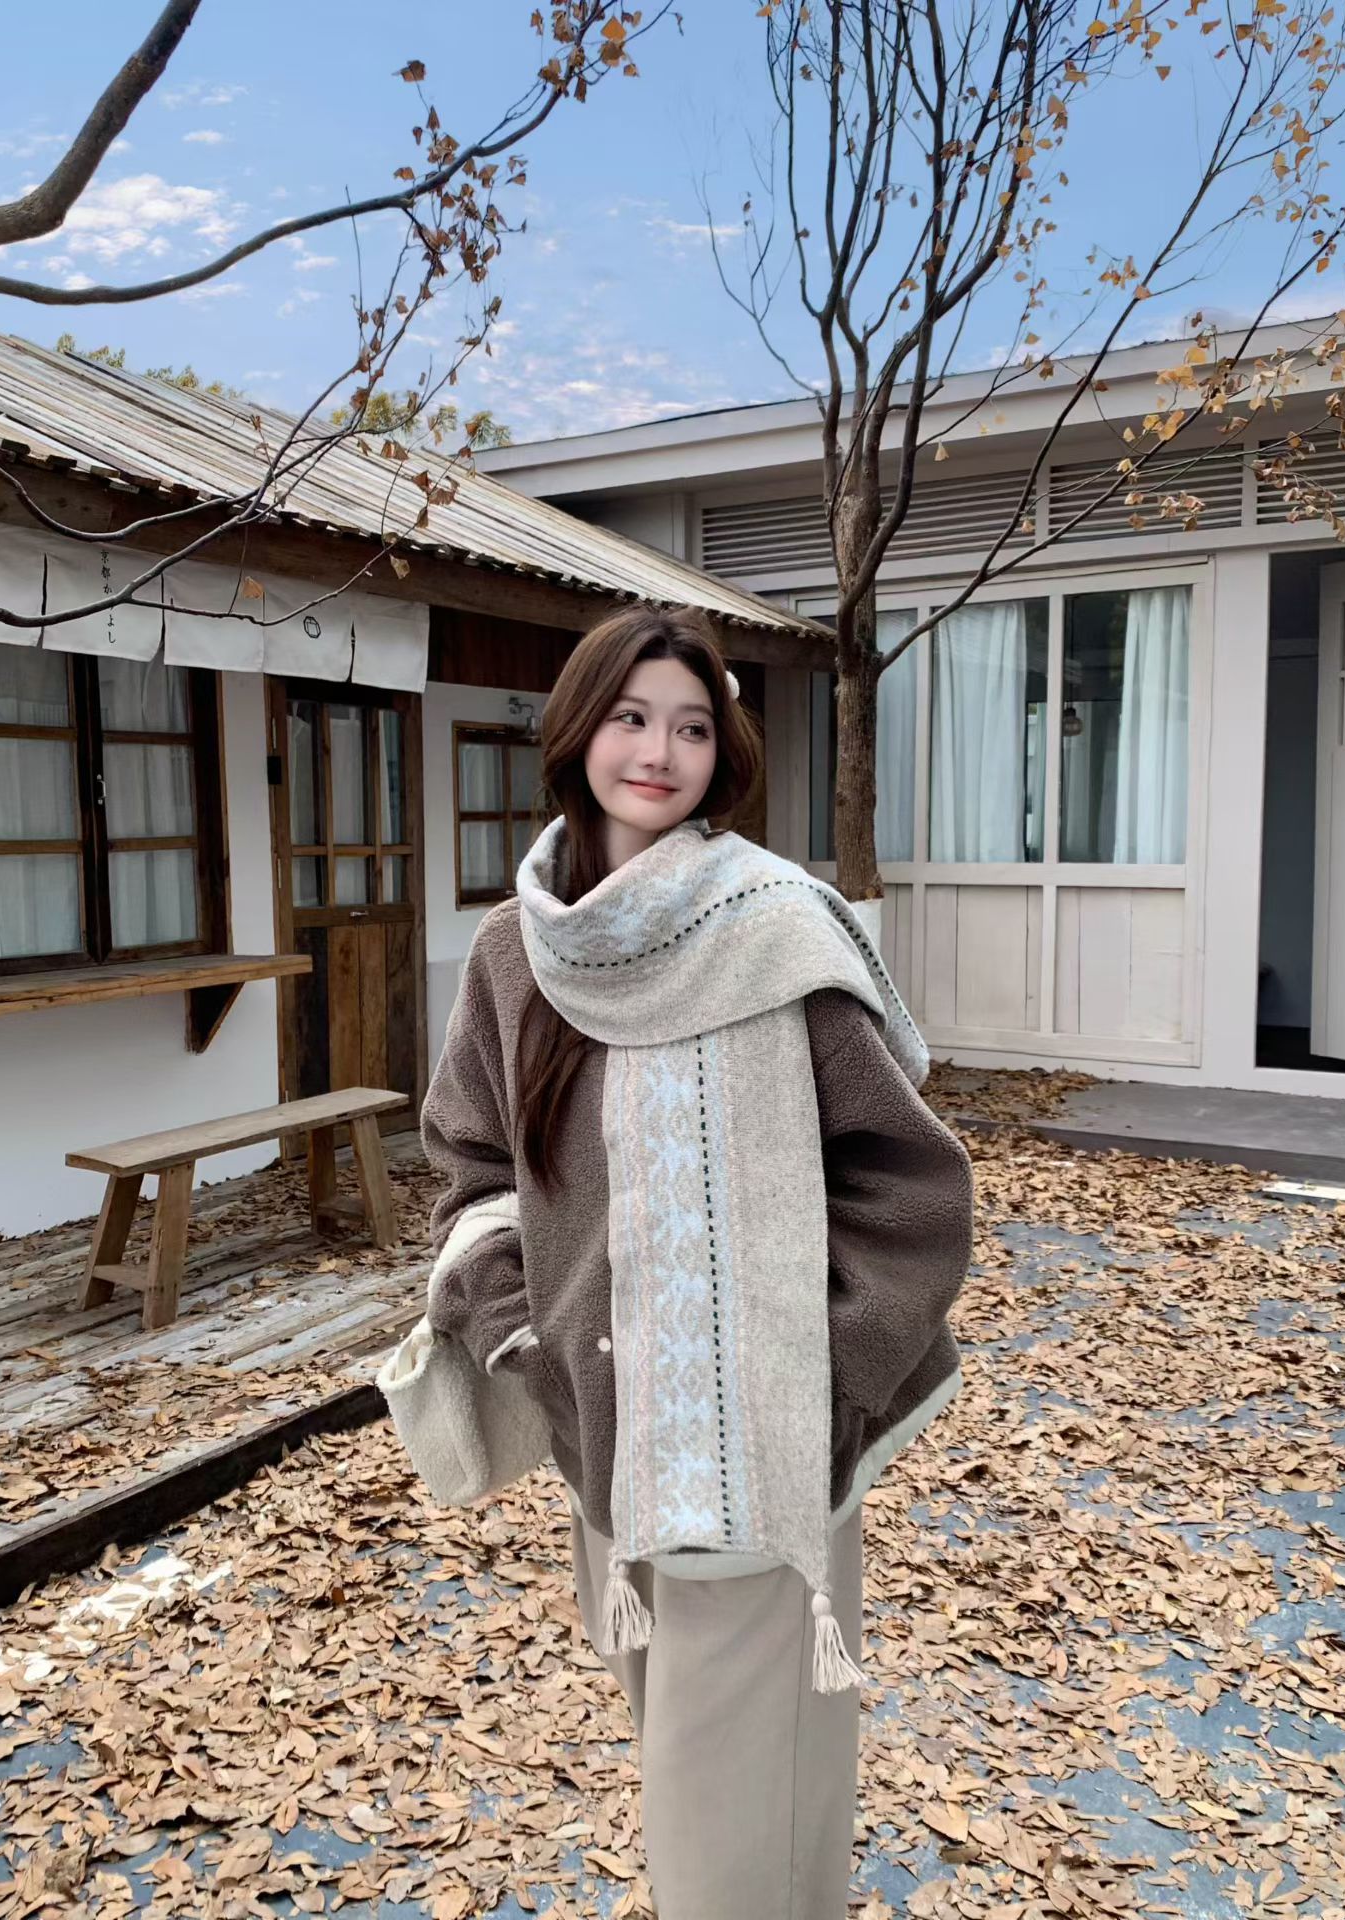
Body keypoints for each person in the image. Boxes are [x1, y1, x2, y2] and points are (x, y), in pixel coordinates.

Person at [418, 605, 974, 1920]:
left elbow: (907, 1179)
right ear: (578, 732)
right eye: (630, 718)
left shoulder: (778, 930)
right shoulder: (516, 952)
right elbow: (473, 1165)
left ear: (724, 751)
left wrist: (823, 1369)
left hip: (765, 1443)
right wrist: (527, 1340)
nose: (658, 753)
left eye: (690, 726)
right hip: (608, 1430)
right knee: (706, 1772)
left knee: (732, 1815)